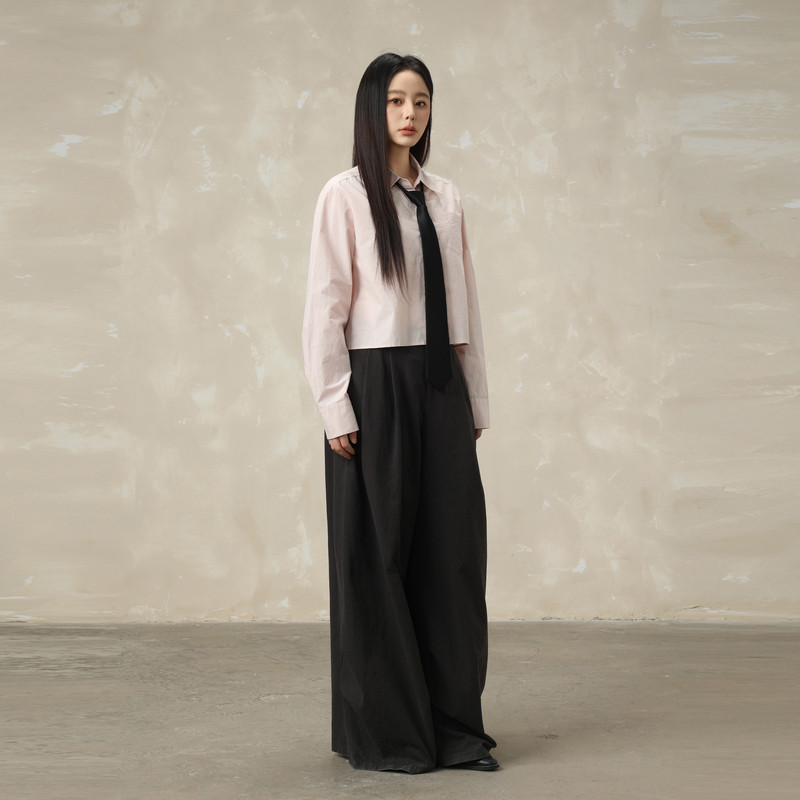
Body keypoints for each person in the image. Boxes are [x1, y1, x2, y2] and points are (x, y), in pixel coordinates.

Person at [302, 53, 497, 774]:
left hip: (439, 383)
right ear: (372, 109)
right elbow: (325, 305)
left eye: (420, 100)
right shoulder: (346, 195)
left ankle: (455, 730)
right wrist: (335, 404)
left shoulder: (445, 197)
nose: (409, 114)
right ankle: (391, 733)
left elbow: (465, 302)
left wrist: (473, 397)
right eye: (394, 101)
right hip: (376, 384)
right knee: (377, 558)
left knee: (451, 558)